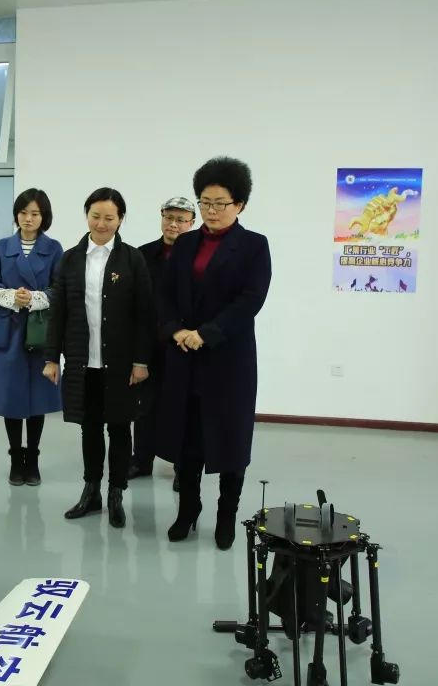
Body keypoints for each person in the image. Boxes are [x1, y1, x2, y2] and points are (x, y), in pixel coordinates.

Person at [158, 157, 272, 550]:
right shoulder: (185, 243)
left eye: (220, 203)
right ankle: (188, 511)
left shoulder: (254, 246)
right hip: (185, 356)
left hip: (229, 359)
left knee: (230, 441)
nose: (211, 210)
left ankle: (226, 517)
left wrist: (206, 334)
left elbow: (250, 300)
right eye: (205, 202)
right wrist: (176, 330)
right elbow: (164, 295)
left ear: (240, 204)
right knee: (187, 441)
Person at [43, 187, 154, 528]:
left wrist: (141, 361)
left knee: (119, 428)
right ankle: (91, 492)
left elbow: (144, 314)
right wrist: (51, 358)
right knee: (89, 429)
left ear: (120, 219)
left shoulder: (132, 259)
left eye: (109, 217)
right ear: (86, 216)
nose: (102, 224)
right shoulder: (70, 259)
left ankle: (115, 494)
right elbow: (58, 312)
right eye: (95, 216)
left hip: (120, 363)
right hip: (82, 361)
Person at [0, 188, 64, 486]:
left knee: (37, 399)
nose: (28, 218)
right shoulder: (2, 247)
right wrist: (10, 295)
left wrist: (36, 298)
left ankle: (33, 458)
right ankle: (16, 457)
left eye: (35, 213)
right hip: (8, 331)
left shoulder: (54, 248)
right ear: (16, 214)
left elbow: (62, 288)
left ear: (44, 217)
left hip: (40, 332)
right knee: (11, 398)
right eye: (24, 212)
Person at [129, 197, 197, 491]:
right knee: (145, 406)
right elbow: (134, 302)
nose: (174, 224)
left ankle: (183, 466)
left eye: (181, 219)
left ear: (192, 223)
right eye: (169, 217)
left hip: (184, 345)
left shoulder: (198, 256)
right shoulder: (142, 254)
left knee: (183, 408)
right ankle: (141, 460)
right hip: (150, 344)